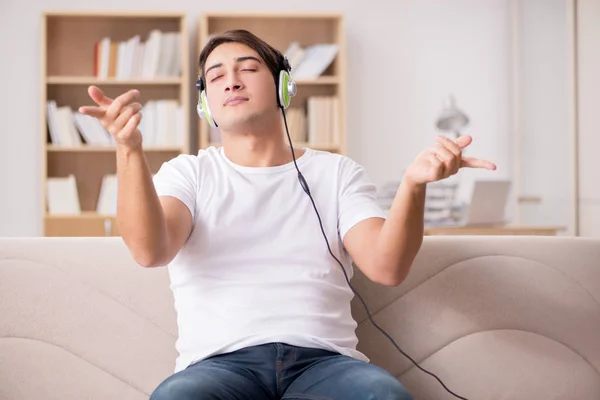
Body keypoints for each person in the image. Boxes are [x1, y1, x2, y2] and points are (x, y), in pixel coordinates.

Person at [79, 29, 496, 400]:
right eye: (217, 76)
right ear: (205, 105)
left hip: (326, 364)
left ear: (284, 86)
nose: (232, 81)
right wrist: (129, 150)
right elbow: (149, 251)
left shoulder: (337, 173)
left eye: (247, 68)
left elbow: (386, 267)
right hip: (216, 368)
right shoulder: (189, 173)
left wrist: (413, 185)